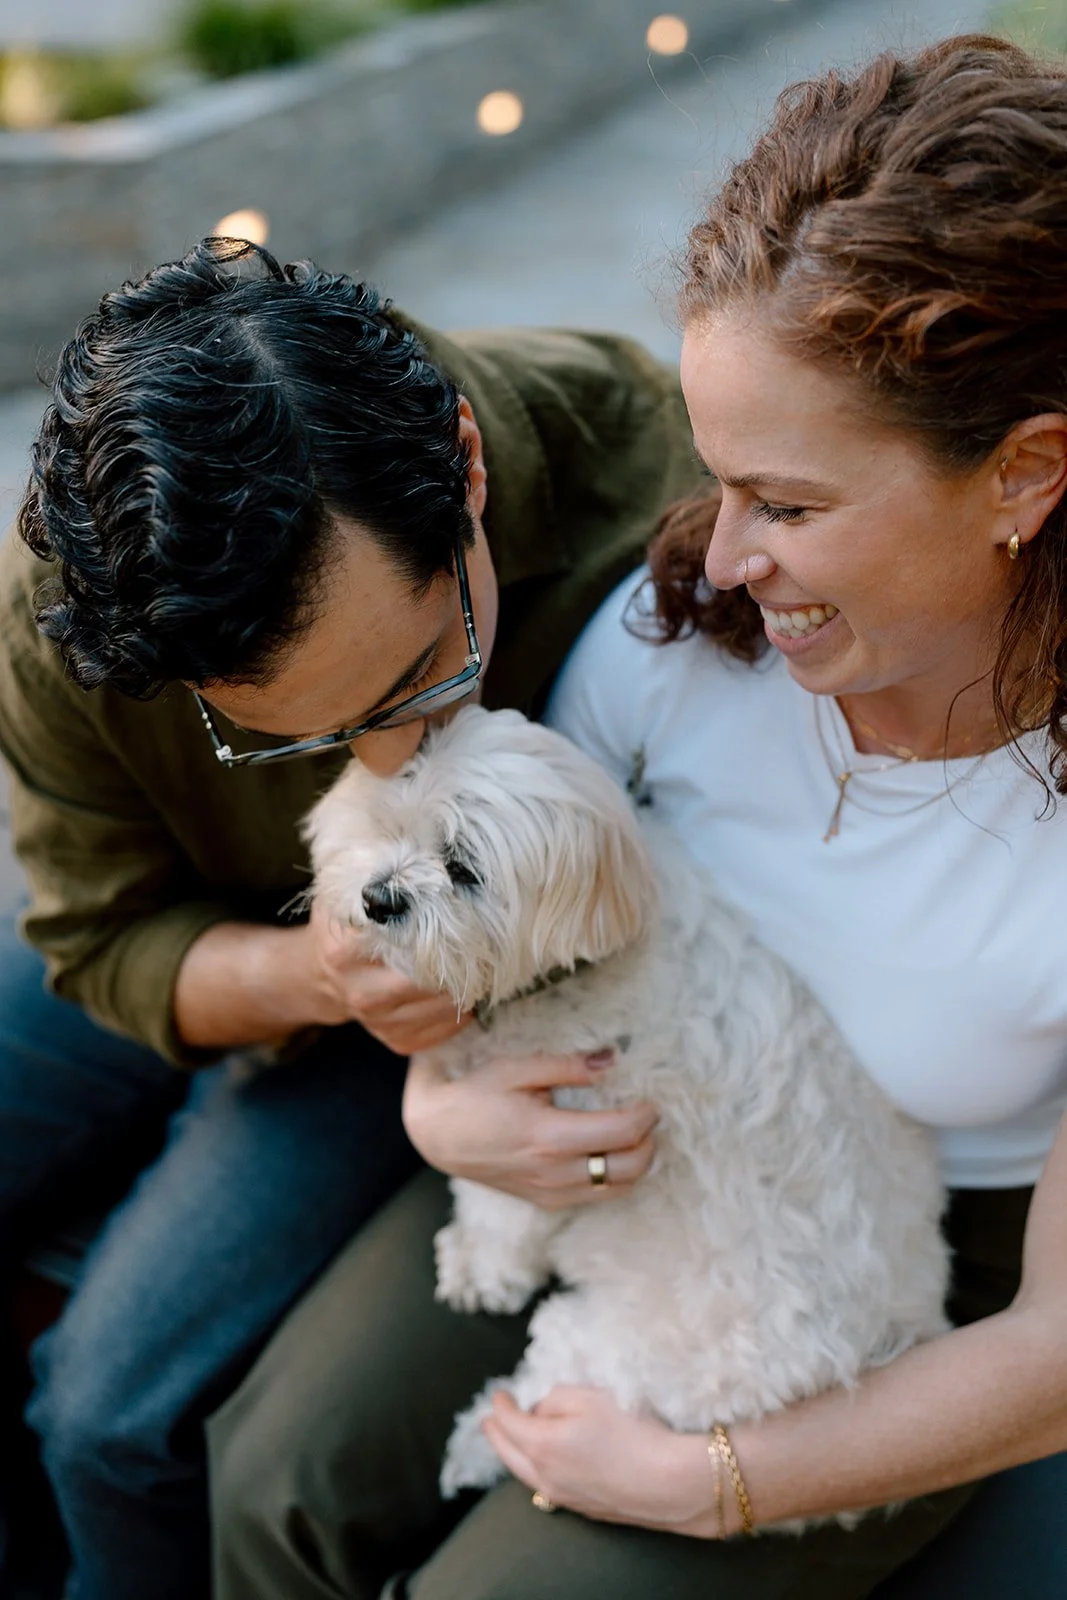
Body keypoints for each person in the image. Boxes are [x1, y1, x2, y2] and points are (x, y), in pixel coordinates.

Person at [207, 33, 1067, 1600]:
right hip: (607, 1140)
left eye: (790, 505)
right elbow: (480, 936)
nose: (722, 554)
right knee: (275, 1482)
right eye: (721, 480)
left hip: (895, 1276)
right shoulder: (681, 631)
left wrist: (713, 1482)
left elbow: (1058, 1344)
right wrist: (435, 1114)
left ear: (1024, 473)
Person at [0, 237, 702, 1600]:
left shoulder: (664, 495)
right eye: (288, 738)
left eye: (413, 685)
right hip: (233, 942)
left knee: (110, 1413)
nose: (382, 768)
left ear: (466, 467)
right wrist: (313, 972)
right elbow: (96, 937)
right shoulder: (79, 609)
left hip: (467, 1009)